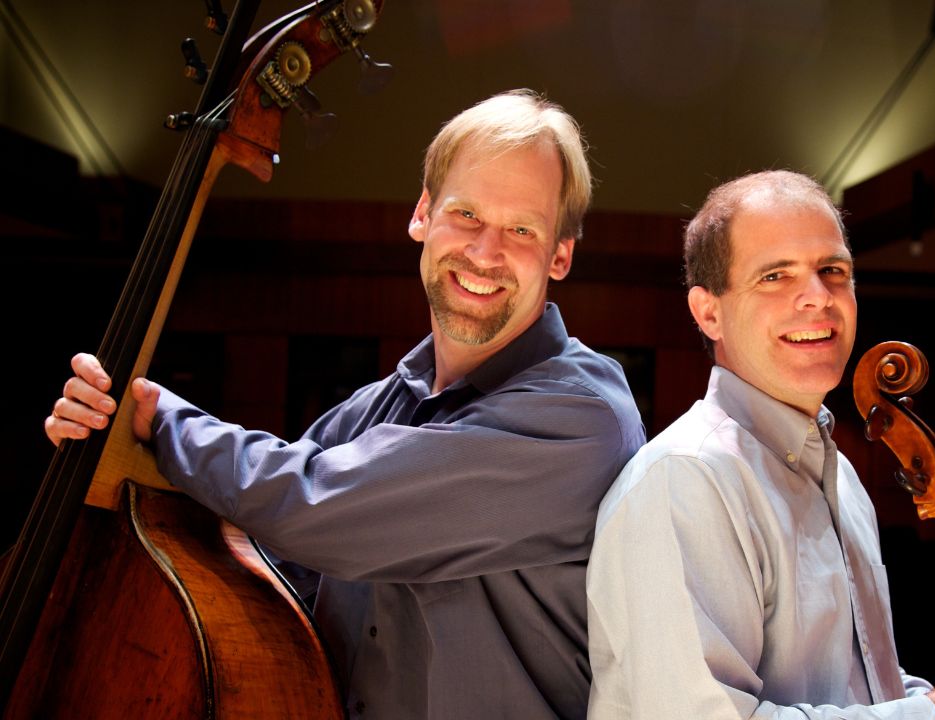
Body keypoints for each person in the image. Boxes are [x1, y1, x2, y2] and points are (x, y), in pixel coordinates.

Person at [45, 89, 646, 719]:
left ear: (560, 254)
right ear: (423, 216)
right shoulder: (369, 412)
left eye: (521, 229)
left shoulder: (582, 416)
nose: (485, 251)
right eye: (466, 214)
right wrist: (111, 445)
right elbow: (258, 542)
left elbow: (311, 503)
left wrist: (157, 418)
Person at [585, 170, 935, 720]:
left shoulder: (843, 479)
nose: (817, 297)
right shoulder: (684, 481)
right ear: (708, 312)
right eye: (775, 277)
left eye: (832, 271)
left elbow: (857, 689)